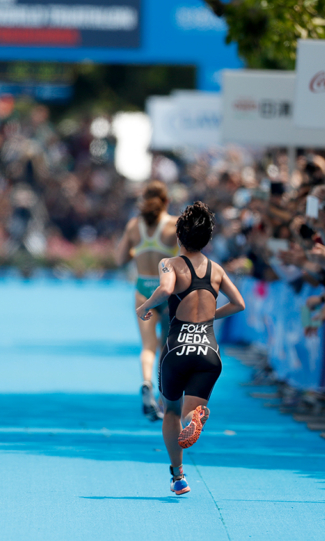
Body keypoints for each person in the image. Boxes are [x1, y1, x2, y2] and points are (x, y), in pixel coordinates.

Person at [135, 202, 245, 496]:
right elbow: (239, 304)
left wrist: (145, 306)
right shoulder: (217, 269)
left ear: (178, 237)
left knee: (169, 411)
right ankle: (197, 416)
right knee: (191, 410)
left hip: (178, 348)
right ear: (207, 240)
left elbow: (166, 290)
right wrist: (211, 316)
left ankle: (178, 476)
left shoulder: (169, 264)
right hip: (209, 351)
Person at [115, 181, 179, 421]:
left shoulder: (134, 226)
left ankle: (146, 383)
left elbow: (121, 259)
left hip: (144, 288)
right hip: (168, 290)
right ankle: (165, 397)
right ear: (166, 201)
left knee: (148, 345)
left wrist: (139, 251)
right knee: (167, 346)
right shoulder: (174, 225)